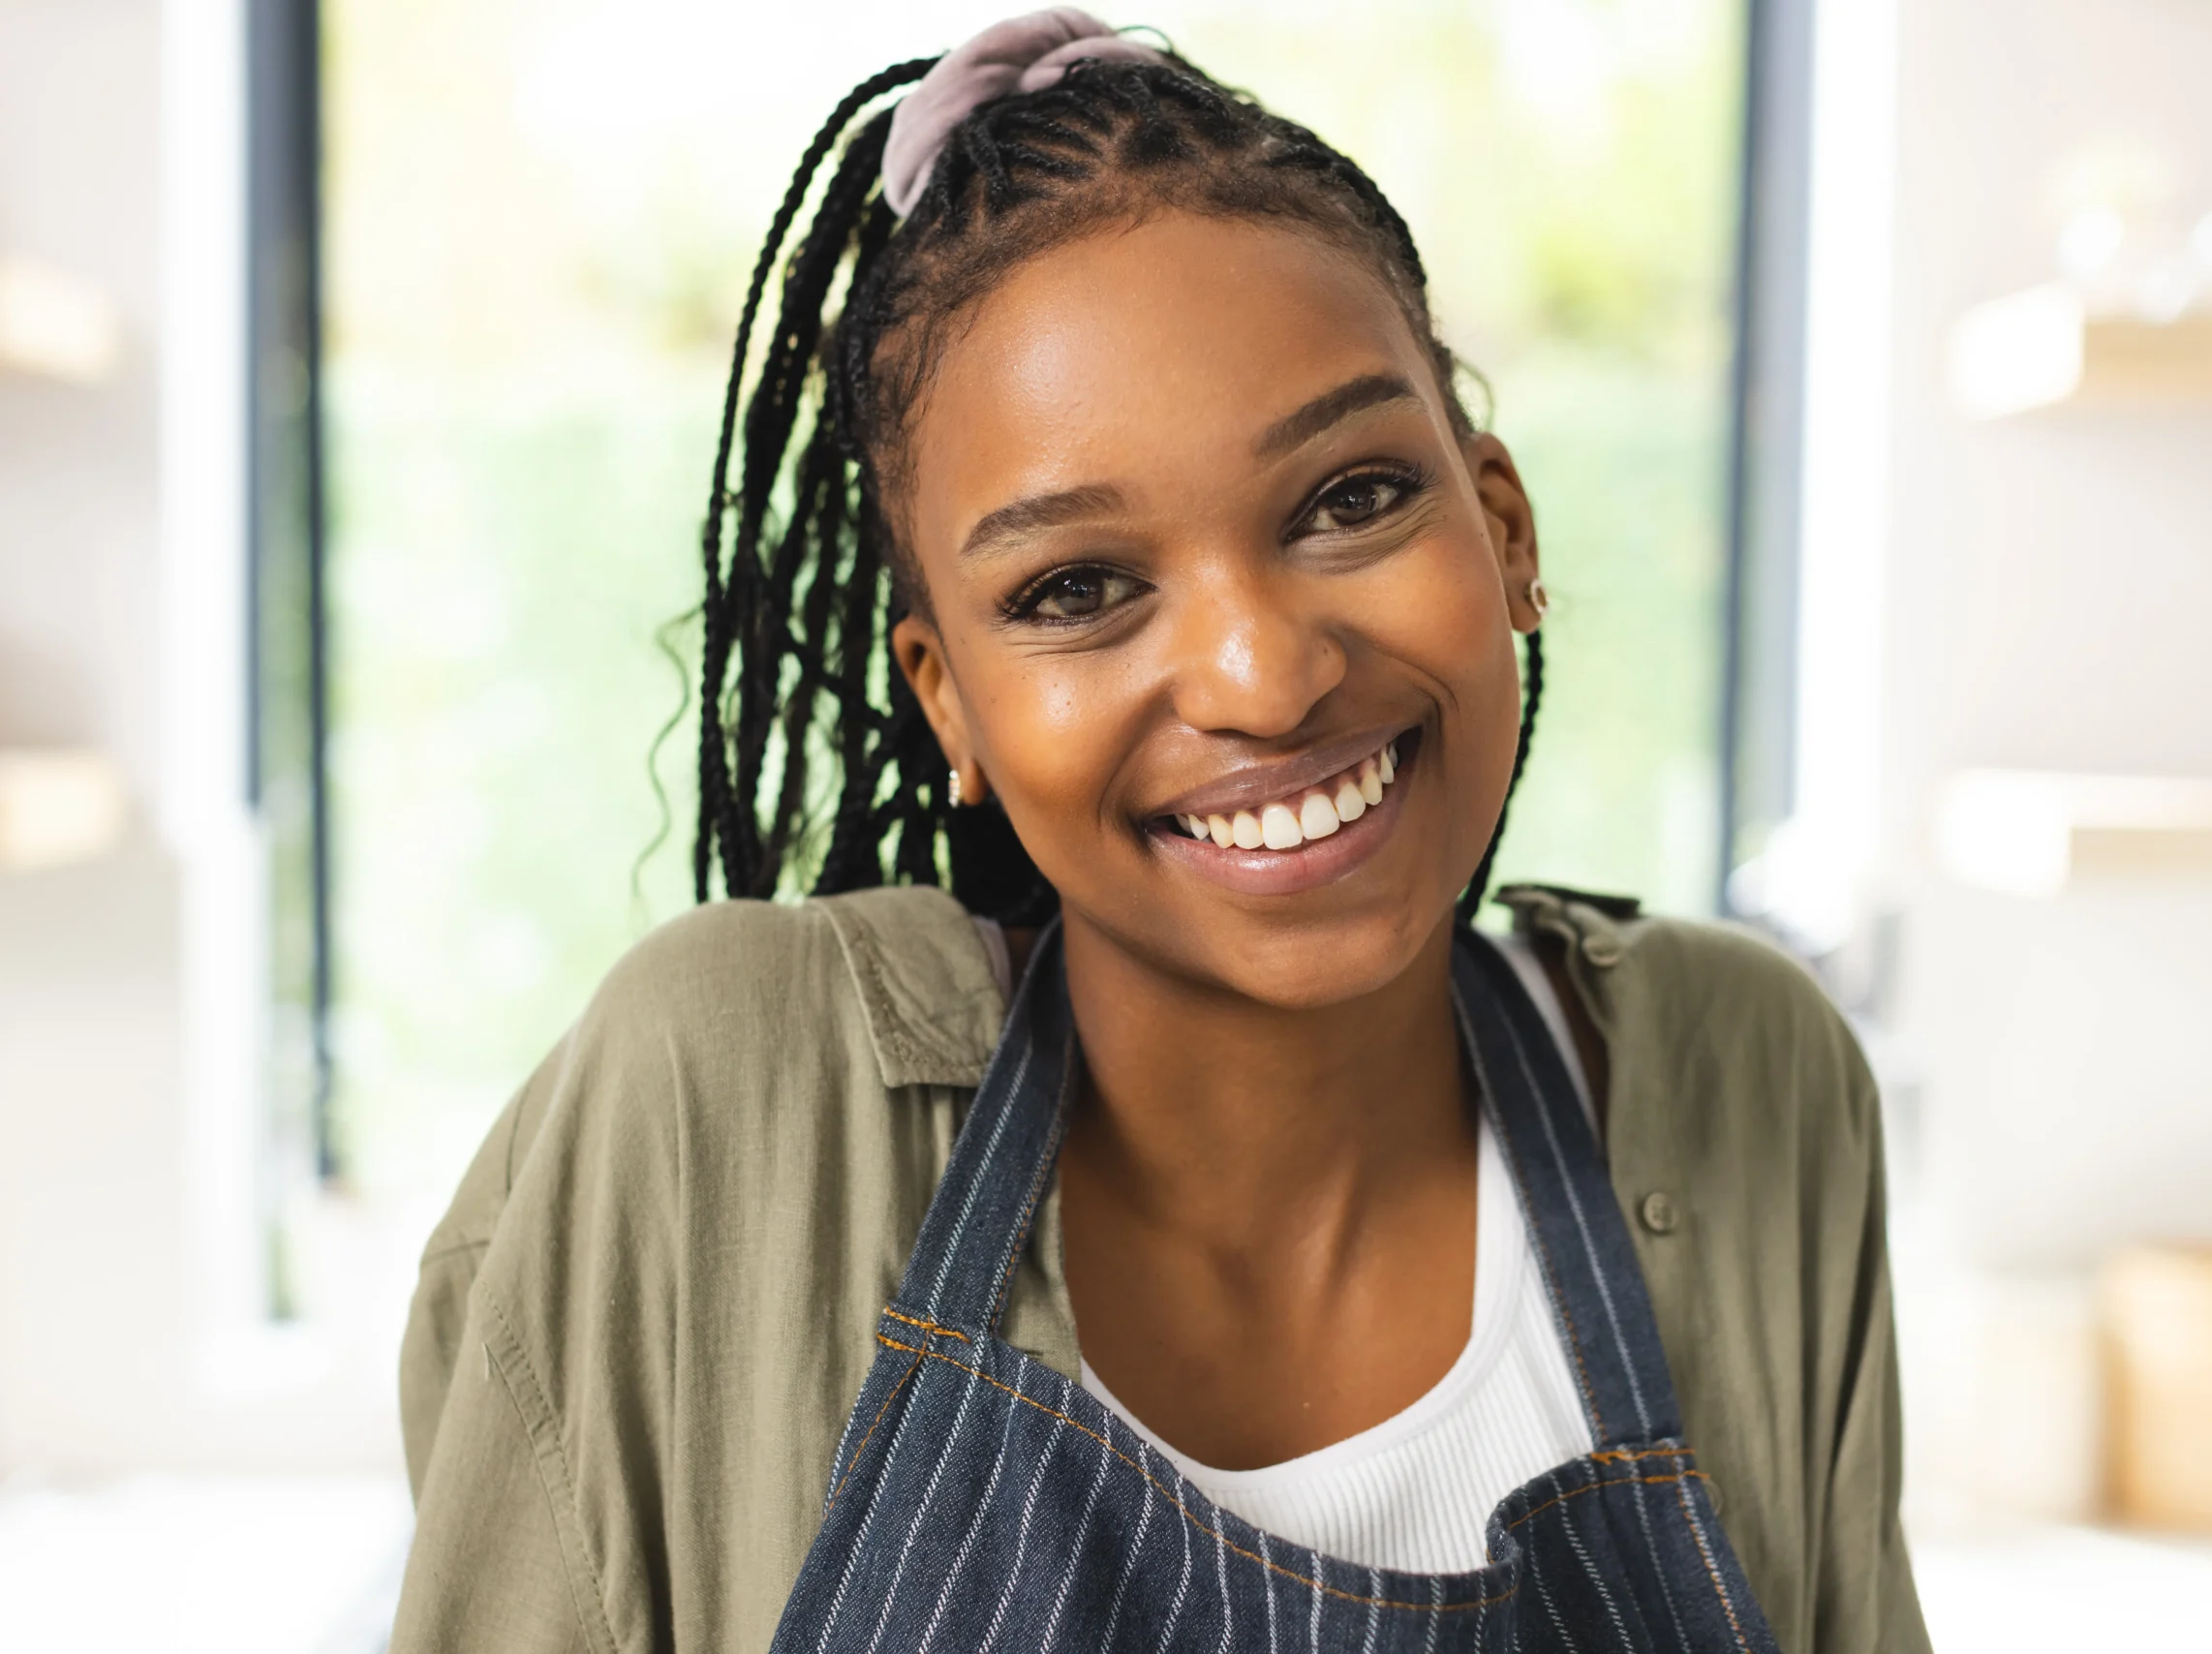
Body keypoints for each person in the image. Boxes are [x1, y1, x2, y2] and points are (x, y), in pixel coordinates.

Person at [390, 11, 1928, 1652]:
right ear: (950, 705)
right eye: (1076, 589)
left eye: (1350, 499)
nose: (1265, 678)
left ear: (1503, 530)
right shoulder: (725, 1091)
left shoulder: (1745, 1078)